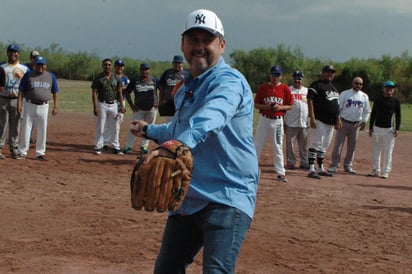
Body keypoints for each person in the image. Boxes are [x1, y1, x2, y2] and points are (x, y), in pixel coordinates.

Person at [129, 9, 258, 273]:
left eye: (207, 40)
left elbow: (212, 117)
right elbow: (179, 129)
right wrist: (149, 130)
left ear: (221, 45)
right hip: (188, 197)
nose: (199, 47)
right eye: (193, 39)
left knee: (216, 269)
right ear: (183, 45)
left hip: (227, 195)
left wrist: (177, 146)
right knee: (166, 269)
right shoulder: (187, 85)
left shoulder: (229, 82)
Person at [254, 65, 293, 182]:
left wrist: (279, 107)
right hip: (264, 119)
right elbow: (256, 104)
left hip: (277, 120)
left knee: (278, 146)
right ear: (269, 75)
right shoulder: (263, 88)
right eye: (273, 75)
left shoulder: (285, 88)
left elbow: (290, 106)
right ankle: (252, 170)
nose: (275, 77)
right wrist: (267, 106)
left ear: (280, 76)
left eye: (277, 75)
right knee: (257, 145)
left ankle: (280, 173)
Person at [15, 56, 59, 160]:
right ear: (34, 65)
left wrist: (56, 106)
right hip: (29, 104)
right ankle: (22, 151)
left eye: (42, 64)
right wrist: (19, 104)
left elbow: (55, 91)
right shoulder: (28, 75)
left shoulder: (51, 76)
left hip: (44, 106)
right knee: (26, 128)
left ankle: (40, 153)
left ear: (45, 65)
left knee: (42, 129)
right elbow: (21, 90)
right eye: (38, 64)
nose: (40, 67)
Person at [328, 77, 371, 174]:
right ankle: (334, 165)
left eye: (360, 84)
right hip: (343, 122)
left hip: (356, 124)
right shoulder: (345, 94)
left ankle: (348, 166)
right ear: (352, 83)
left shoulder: (364, 96)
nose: (358, 85)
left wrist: (364, 121)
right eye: (356, 83)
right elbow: (338, 108)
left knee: (352, 146)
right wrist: (337, 120)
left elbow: (367, 110)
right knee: (338, 145)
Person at [307, 65, 340, 179]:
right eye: (327, 72)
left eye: (332, 72)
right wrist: (312, 117)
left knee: (324, 145)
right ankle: (311, 168)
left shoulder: (334, 89)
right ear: (323, 72)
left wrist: (338, 119)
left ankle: (320, 167)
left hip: (330, 122)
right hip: (319, 119)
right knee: (315, 143)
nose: (329, 74)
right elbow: (310, 100)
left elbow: (336, 105)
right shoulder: (316, 85)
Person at [0, 44, 29, 159]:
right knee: (2, 124)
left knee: (16, 124)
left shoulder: (24, 69)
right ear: (7, 53)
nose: (13, 54)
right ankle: (0, 146)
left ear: (18, 53)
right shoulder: (2, 67)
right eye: (10, 52)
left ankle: (14, 147)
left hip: (17, 100)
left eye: (15, 52)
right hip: (3, 99)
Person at [122, 63, 159, 155]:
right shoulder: (135, 79)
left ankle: (144, 146)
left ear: (149, 70)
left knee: (149, 128)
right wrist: (131, 105)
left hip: (152, 108)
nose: (145, 71)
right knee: (134, 126)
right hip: (139, 108)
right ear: (140, 70)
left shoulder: (154, 79)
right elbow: (127, 92)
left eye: (146, 69)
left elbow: (162, 88)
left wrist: (159, 102)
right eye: (143, 69)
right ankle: (128, 146)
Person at [368, 80, 401, 179]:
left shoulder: (396, 102)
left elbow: (398, 116)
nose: (389, 90)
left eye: (391, 88)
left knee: (388, 151)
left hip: (389, 130)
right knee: (376, 150)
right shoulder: (378, 100)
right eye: (387, 88)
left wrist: (397, 128)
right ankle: (376, 169)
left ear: (393, 90)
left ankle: (386, 171)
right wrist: (370, 127)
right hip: (377, 128)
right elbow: (373, 114)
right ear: (383, 89)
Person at [91, 58, 125, 155]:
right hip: (102, 104)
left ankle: (116, 147)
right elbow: (94, 92)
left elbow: (119, 92)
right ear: (102, 66)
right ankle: (98, 146)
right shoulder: (98, 78)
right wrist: (95, 107)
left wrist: (121, 105)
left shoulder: (116, 78)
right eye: (105, 65)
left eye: (109, 65)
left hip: (113, 104)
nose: (107, 66)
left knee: (114, 127)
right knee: (100, 126)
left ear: (112, 66)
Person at [284, 70, 309, 170]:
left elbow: (310, 105)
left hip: (303, 122)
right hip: (290, 121)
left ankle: (304, 162)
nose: (297, 80)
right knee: (290, 144)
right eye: (295, 78)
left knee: (304, 145)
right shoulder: (288, 90)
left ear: (302, 80)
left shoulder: (306, 91)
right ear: (292, 79)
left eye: (299, 79)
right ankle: (291, 162)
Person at [103, 59, 129, 150]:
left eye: (121, 66)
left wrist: (123, 105)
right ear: (115, 67)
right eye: (118, 66)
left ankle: (115, 143)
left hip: (121, 101)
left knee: (117, 123)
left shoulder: (125, 78)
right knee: (107, 123)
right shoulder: (111, 77)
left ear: (123, 67)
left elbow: (126, 89)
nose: (120, 68)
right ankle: (105, 143)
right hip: (112, 101)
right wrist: (121, 88)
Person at [158, 55, 185, 122]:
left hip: (181, 103)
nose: (177, 64)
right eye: (175, 63)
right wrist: (161, 101)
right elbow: (162, 87)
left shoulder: (186, 74)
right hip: (169, 102)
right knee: (169, 123)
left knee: (180, 122)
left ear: (182, 64)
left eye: (179, 63)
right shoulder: (167, 73)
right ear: (173, 63)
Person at [24, 50, 41, 144]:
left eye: (36, 57)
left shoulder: (40, 69)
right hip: (24, 95)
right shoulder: (25, 67)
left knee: (32, 117)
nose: (35, 59)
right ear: (30, 58)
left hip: (33, 97)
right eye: (33, 57)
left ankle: (29, 136)